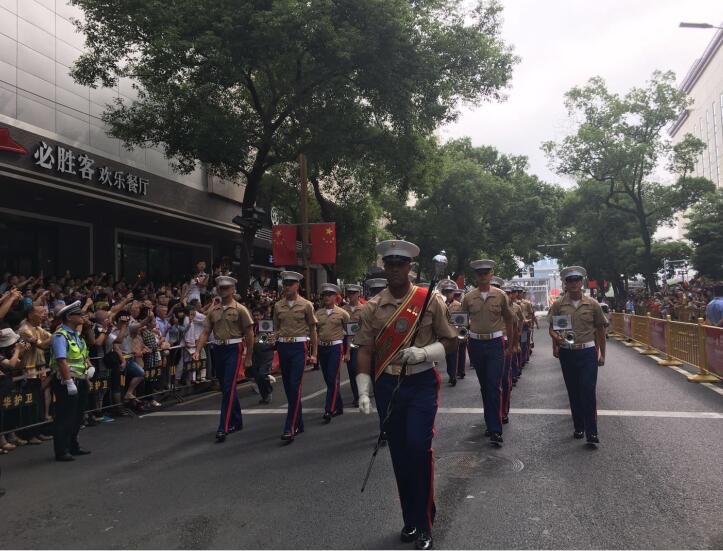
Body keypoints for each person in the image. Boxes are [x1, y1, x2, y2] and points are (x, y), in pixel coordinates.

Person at [355, 240, 458, 551]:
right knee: (400, 454)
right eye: (390, 264)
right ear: (384, 268)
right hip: (388, 386)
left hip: (421, 384)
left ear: (410, 267)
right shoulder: (372, 307)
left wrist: (424, 353)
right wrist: (363, 390)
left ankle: (425, 522)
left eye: (401, 264)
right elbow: (365, 349)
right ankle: (411, 518)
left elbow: (450, 340)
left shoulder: (430, 301)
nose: (395, 269)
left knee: (417, 447)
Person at [548, 266, 607, 445]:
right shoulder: (558, 305)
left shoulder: (592, 304)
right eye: (570, 281)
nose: (573, 284)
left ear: (582, 282)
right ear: (565, 284)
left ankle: (592, 432)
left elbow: (600, 330)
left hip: (588, 352)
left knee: (588, 391)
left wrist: (602, 354)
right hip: (568, 353)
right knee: (573, 391)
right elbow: (552, 327)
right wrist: (556, 339)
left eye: (577, 280)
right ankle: (578, 426)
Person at [194, 276, 254, 443]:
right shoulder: (214, 311)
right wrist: (198, 350)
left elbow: (249, 333)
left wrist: (248, 355)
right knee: (227, 387)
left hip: (234, 348)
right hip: (218, 348)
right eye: (221, 288)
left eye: (227, 288)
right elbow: (205, 332)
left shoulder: (240, 309)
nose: (223, 290)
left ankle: (224, 426)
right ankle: (237, 420)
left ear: (233, 290)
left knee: (228, 387)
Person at [461, 260, 513, 444]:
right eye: (479, 273)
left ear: (491, 274)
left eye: (486, 273)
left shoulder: (500, 295)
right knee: (485, 386)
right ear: (475, 276)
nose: (483, 276)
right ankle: (490, 421)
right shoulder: (468, 297)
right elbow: (461, 321)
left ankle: (495, 429)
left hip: (495, 343)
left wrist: (511, 345)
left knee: (494, 385)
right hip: (475, 344)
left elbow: (509, 320)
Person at [272, 271, 318, 442]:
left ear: (298, 285)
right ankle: (298, 422)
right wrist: (272, 339)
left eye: (290, 284)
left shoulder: (306, 305)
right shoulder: (278, 306)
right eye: (285, 284)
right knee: (288, 387)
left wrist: (314, 354)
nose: (287, 287)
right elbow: (276, 328)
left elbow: (313, 330)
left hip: (299, 347)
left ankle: (289, 427)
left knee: (295, 385)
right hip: (283, 347)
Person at [48, 301, 93, 462]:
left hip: (80, 379)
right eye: (78, 314)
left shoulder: (76, 336)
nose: (82, 316)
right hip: (65, 381)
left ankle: (73, 445)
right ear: (69, 317)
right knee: (64, 416)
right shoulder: (61, 335)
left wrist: (87, 375)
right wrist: (68, 382)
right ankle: (62, 450)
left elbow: (82, 357)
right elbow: (61, 360)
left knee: (77, 415)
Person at [315, 283, 350, 423]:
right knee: (329, 379)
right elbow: (315, 333)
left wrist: (348, 352)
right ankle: (339, 406)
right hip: (322, 347)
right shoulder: (317, 313)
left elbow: (348, 335)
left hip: (336, 347)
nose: (327, 298)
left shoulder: (343, 314)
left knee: (332, 376)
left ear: (336, 297)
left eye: (330, 295)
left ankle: (329, 409)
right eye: (324, 295)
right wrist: (314, 352)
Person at [342, 284, 364, 407]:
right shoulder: (343, 309)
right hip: (348, 343)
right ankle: (357, 396)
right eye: (349, 293)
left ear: (358, 294)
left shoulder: (365, 309)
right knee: (352, 371)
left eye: (353, 293)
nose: (350, 296)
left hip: (361, 343)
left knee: (360, 370)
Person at [437, 280, 462, 386]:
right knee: (447, 356)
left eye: (450, 292)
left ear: (453, 293)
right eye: (446, 292)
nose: (448, 294)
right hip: (442, 333)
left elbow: (461, 321)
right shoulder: (439, 303)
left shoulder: (458, 305)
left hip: (454, 333)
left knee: (453, 355)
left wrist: (461, 334)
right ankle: (451, 373)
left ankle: (453, 375)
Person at [251, 308, 275, 404]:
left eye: (258, 315)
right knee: (257, 376)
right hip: (255, 353)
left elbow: (268, 339)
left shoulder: (265, 324)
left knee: (262, 373)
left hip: (266, 352)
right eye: (254, 315)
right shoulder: (252, 326)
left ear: (262, 316)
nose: (256, 317)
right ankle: (264, 396)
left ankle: (268, 391)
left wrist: (254, 340)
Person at [452, 288, 468, 380]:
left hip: (458, 330)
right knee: (458, 353)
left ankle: (459, 371)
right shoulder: (447, 303)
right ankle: (459, 371)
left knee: (458, 353)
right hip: (455, 330)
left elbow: (463, 320)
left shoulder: (459, 305)